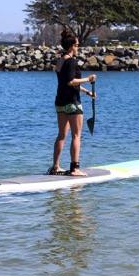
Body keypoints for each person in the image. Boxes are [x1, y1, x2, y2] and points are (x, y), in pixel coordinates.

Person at [47, 30, 97, 176]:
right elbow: (71, 82)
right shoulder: (71, 61)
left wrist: (87, 92)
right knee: (76, 135)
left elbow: (66, 83)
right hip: (72, 103)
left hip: (60, 102)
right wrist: (88, 79)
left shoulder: (60, 61)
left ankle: (55, 167)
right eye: (77, 44)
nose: (78, 47)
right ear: (71, 46)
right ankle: (75, 169)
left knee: (61, 134)